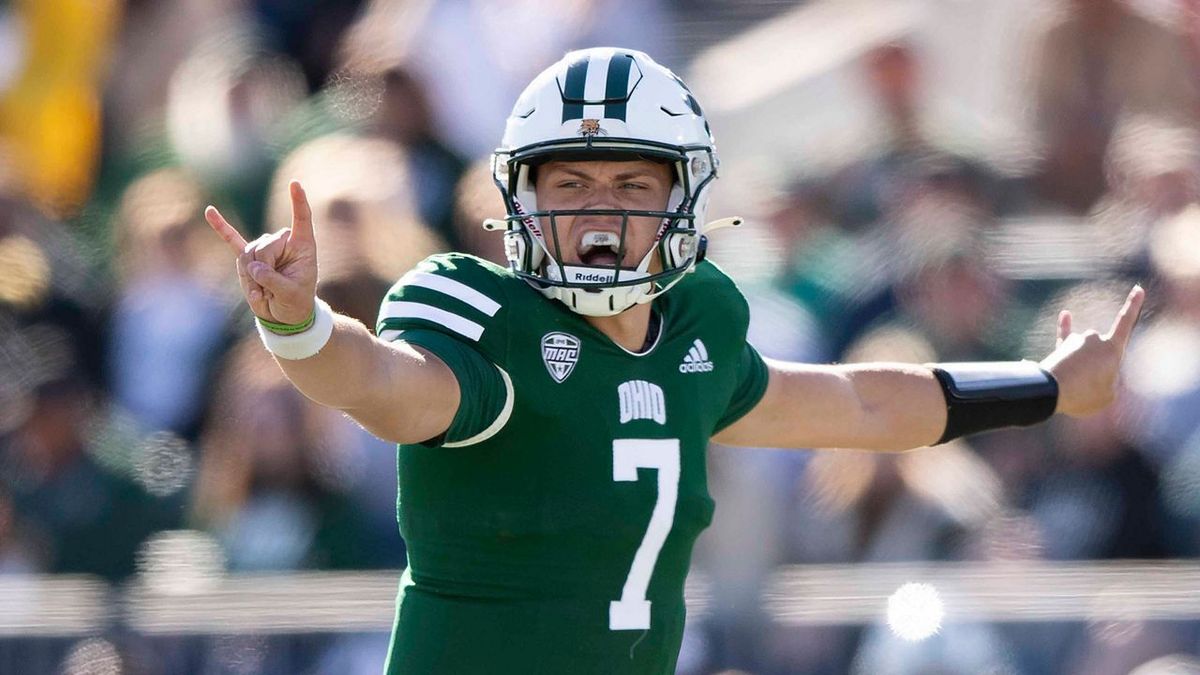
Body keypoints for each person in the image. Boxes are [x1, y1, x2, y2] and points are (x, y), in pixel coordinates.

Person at [204, 48, 1144, 675]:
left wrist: (1050, 386)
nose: (600, 209)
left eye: (630, 183)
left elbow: (859, 405)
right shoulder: (484, 319)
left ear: (682, 197)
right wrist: (302, 330)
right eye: (569, 183)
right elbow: (381, 384)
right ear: (521, 202)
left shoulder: (694, 335)